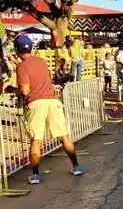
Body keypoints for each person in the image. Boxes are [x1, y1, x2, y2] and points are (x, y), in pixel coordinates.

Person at [5, 35, 83, 184]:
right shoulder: (41, 61)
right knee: (63, 136)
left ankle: (35, 174)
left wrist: (13, 90)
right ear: (31, 48)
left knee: (36, 139)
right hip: (53, 101)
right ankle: (76, 166)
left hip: (36, 103)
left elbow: (26, 90)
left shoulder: (22, 66)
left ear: (16, 50)